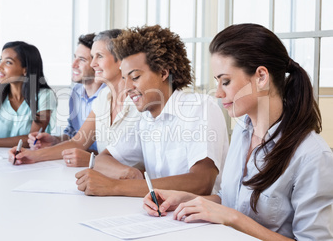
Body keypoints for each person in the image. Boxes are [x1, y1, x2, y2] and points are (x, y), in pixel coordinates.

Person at [143, 24, 333, 240]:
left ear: (261, 77)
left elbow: (234, 214)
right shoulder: (243, 132)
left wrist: (233, 219)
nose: (218, 93)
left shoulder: (312, 156)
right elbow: (231, 200)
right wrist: (184, 198)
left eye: (226, 81)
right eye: (217, 82)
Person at [75, 25, 229, 197]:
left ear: (163, 73)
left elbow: (201, 183)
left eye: (135, 77)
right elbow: (103, 159)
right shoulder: (145, 118)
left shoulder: (198, 108)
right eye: (124, 79)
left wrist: (115, 186)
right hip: (160, 215)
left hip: (201, 220)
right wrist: (129, 174)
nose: (127, 88)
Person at [9, 29, 142, 167]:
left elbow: (130, 162)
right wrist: (32, 155)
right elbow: (78, 142)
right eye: (92, 56)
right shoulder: (104, 97)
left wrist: (92, 161)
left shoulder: (139, 102)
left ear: (121, 60)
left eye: (99, 56)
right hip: (103, 178)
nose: (92, 64)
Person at [27, 33, 106, 152]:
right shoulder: (76, 91)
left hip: (98, 164)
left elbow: (113, 152)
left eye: (82, 60)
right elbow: (73, 135)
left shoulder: (107, 96)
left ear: (96, 64)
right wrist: (54, 140)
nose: (73, 64)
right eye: (75, 57)